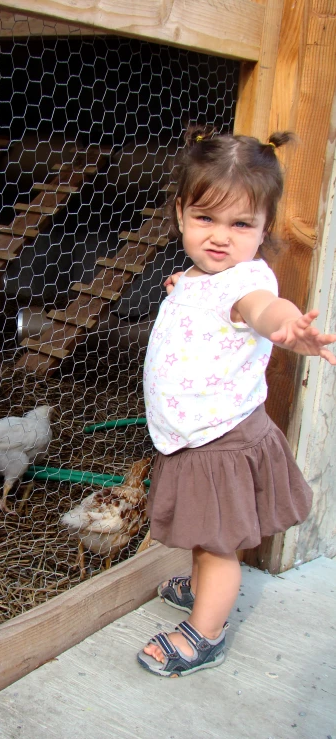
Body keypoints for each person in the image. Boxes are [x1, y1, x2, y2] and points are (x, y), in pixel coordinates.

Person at [137, 126, 336, 678]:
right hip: (195, 435)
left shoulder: (246, 283)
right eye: (206, 219)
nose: (221, 237)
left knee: (218, 544)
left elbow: (261, 308)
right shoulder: (203, 276)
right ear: (181, 214)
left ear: (264, 227)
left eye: (242, 224)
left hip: (220, 440)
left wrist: (288, 329)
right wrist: (186, 283)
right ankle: (205, 588)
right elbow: (206, 295)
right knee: (206, 534)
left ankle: (206, 632)